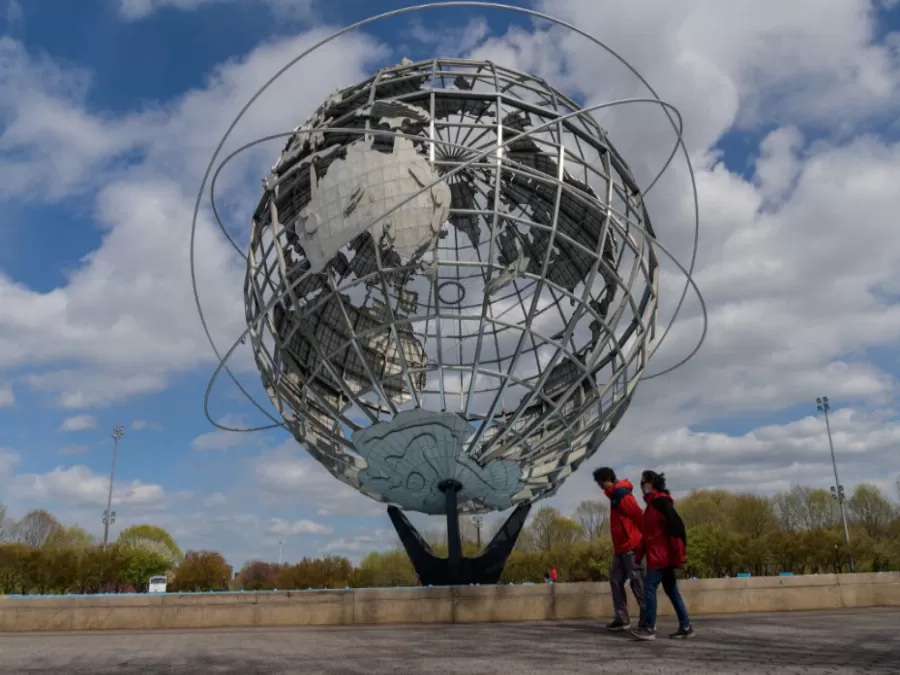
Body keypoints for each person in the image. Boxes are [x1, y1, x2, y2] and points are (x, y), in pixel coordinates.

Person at [631, 470, 695, 641]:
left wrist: (677, 553)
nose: (643, 485)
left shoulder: (661, 503)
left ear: (654, 483)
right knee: (672, 591)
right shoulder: (651, 506)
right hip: (657, 556)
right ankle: (686, 626)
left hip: (662, 557)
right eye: (642, 482)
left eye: (645, 482)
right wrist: (639, 554)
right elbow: (647, 534)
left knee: (649, 587)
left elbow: (676, 528)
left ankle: (649, 627)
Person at [593, 466, 646, 631]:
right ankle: (621, 618)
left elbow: (638, 515)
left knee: (637, 583)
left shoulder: (622, 495)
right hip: (620, 548)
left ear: (607, 480)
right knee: (615, 580)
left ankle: (647, 620)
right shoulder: (614, 496)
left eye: (600, 483)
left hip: (631, 546)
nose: (600, 487)